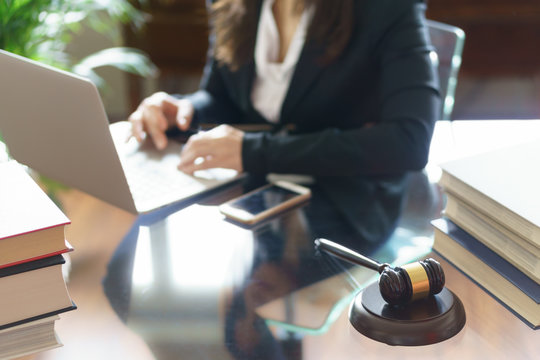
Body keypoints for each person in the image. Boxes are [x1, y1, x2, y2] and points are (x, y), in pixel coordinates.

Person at [128, 0, 440, 242]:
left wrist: (254, 151)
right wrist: (184, 111)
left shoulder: (386, 7)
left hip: (347, 204)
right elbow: (223, 95)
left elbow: (409, 141)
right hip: (251, 194)